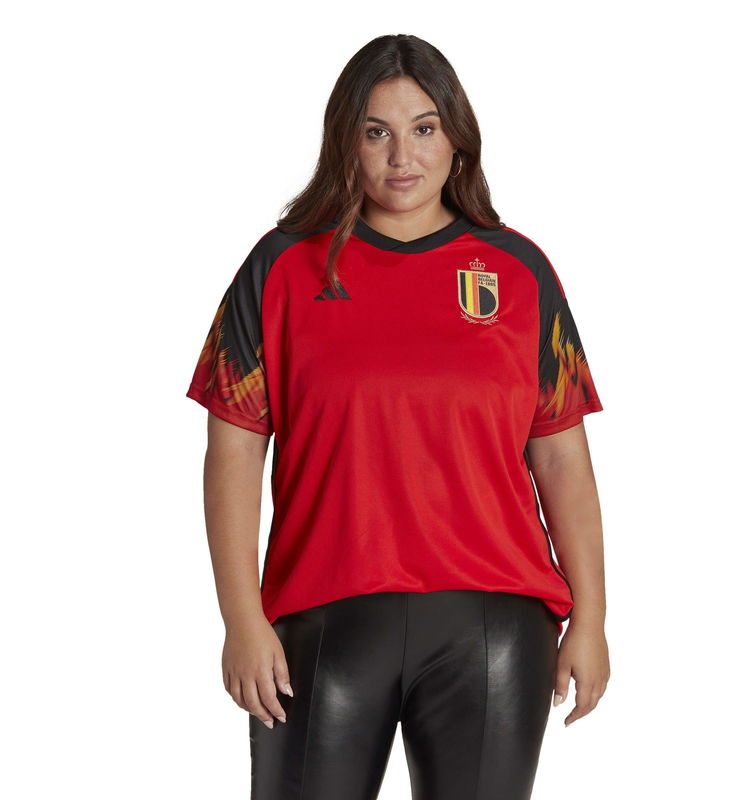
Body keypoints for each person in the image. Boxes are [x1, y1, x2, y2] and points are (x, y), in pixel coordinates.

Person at [186, 33, 610, 800]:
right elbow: (234, 451)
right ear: (344, 141)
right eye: (376, 132)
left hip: (494, 622)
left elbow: (560, 455)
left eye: (424, 128)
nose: (402, 156)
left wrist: (592, 618)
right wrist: (240, 618)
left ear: (457, 137)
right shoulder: (281, 266)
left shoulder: (517, 271)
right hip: (321, 619)